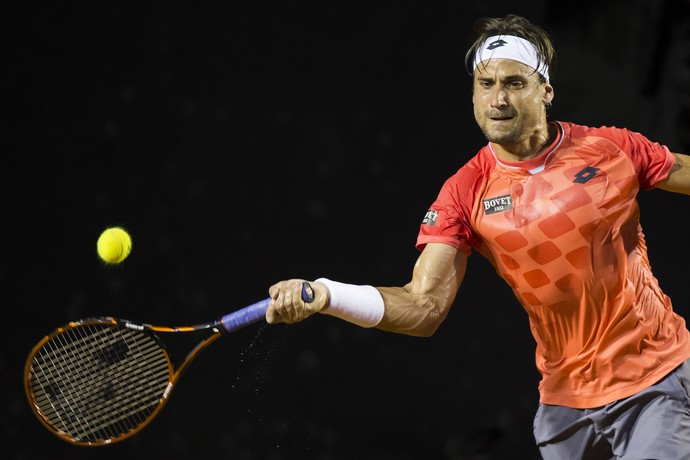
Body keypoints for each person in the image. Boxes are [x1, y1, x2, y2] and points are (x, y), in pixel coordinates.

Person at [266, 14, 690, 459]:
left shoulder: (610, 149)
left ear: (545, 91)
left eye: (513, 83)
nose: (498, 99)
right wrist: (327, 294)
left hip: (655, 379)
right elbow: (424, 307)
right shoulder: (464, 192)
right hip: (567, 405)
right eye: (485, 83)